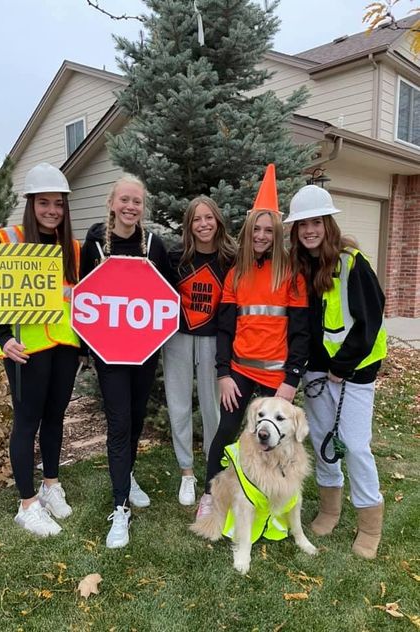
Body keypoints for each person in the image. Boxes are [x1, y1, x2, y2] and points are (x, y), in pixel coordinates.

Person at [196, 165, 310, 518]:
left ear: (277, 234)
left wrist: (291, 380)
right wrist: (223, 373)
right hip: (240, 373)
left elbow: (301, 333)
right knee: (227, 431)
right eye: (256, 229)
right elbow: (225, 329)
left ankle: (271, 497)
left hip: (276, 377)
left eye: (268, 230)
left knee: (275, 441)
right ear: (248, 233)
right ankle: (210, 495)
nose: (261, 235)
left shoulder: (292, 275)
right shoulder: (236, 274)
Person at [285, 184, 387, 559]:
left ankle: (369, 521)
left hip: (355, 371)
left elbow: (369, 321)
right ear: (295, 231)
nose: (309, 230)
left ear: (327, 224)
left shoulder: (351, 263)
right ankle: (329, 508)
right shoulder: (301, 266)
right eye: (302, 225)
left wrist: (342, 367)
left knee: (356, 447)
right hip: (316, 372)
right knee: (324, 441)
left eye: (315, 222)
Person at [0, 162, 81, 537]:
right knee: (27, 423)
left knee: (56, 417)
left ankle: (50, 484)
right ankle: (27, 505)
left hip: (64, 346)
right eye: (44, 203)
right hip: (25, 349)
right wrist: (2, 339)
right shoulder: (7, 240)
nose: (52, 211)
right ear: (31, 203)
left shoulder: (72, 246)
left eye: (58, 204)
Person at [80, 173, 170, 549]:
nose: (131, 207)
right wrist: (89, 349)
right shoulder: (96, 241)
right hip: (109, 357)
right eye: (125, 200)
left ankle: (128, 475)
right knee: (118, 425)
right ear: (112, 203)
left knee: (134, 422)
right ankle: (120, 508)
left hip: (145, 354)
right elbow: (85, 295)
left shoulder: (154, 244)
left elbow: (167, 297)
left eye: (137, 202)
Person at [163, 196, 236, 506]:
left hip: (214, 341)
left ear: (217, 221)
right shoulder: (176, 256)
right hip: (177, 338)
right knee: (178, 405)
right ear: (188, 226)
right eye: (197, 219)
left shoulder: (231, 257)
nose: (203, 224)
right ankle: (186, 473)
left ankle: (211, 470)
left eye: (209, 218)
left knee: (213, 410)